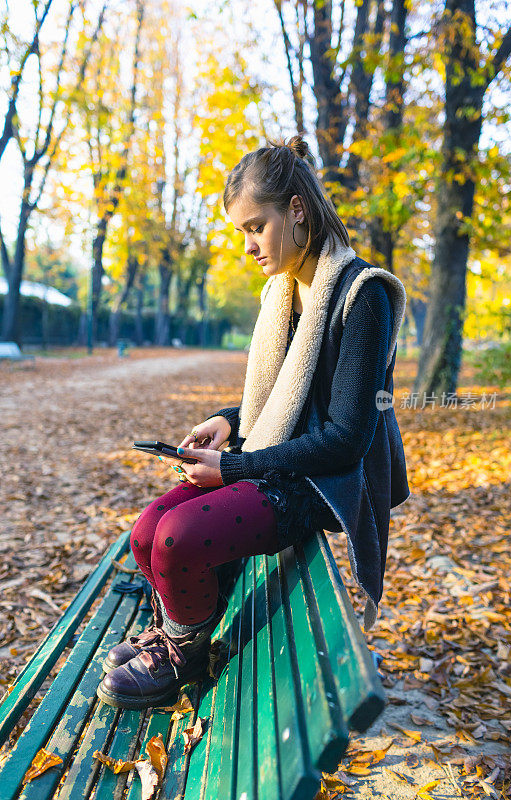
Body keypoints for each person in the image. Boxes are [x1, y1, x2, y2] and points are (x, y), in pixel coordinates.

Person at [96, 134, 410, 710]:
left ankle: (182, 647)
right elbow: (290, 397)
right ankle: (180, 628)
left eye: (254, 227)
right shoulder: (287, 291)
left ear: (296, 210)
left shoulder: (362, 295)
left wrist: (235, 465)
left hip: (322, 482)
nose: (248, 245)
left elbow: (344, 437)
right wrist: (227, 420)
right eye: (242, 231)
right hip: (280, 460)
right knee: (146, 532)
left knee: (175, 539)